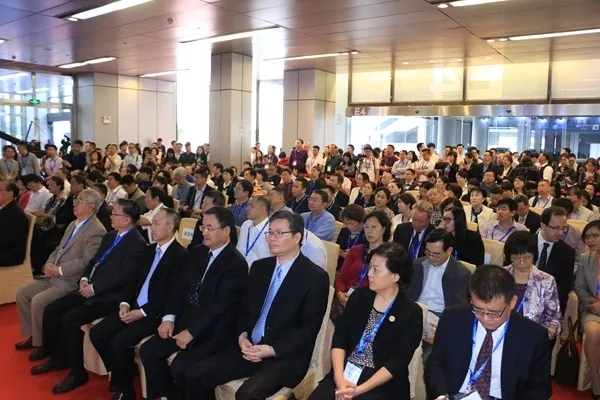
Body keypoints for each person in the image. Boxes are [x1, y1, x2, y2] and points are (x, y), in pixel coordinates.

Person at [182, 210, 329, 399]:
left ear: (296, 237)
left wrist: (271, 350)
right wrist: (242, 335)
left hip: (283, 356)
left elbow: (308, 329)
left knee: (247, 394)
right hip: (249, 346)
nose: (272, 238)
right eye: (270, 232)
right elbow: (244, 309)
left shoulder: (315, 277)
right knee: (195, 375)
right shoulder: (260, 267)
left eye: (279, 233)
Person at [30, 199, 147, 395]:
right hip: (90, 288)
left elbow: (123, 277)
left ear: (127, 219)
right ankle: (58, 357)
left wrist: (95, 288)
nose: (111, 216)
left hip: (111, 297)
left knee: (70, 319)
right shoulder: (110, 236)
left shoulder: (137, 244)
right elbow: (93, 261)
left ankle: (78, 373)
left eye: (115, 213)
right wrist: (84, 279)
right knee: (52, 309)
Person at [88, 208, 188, 400]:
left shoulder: (181, 256)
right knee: (98, 333)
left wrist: (141, 312)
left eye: (156, 223)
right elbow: (133, 281)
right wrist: (125, 303)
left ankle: (126, 391)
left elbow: (172, 295)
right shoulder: (149, 250)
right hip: (133, 306)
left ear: (170, 227)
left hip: (154, 313)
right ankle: (122, 371)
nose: (152, 227)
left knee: (119, 342)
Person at [308, 243, 422, 400]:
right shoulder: (360, 296)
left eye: (376, 270)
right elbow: (340, 339)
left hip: (381, 385)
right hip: (345, 374)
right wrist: (339, 380)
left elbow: (396, 363)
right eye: (370, 267)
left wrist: (357, 391)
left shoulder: (411, 313)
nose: (369, 274)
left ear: (395, 276)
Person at [426, 265, 552, 400]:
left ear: (512, 302)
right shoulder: (452, 319)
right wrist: (441, 395)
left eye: (494, 312)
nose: (485, 318)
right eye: (478, 309)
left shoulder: (534, 336)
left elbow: (540, 388)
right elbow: (435, 363)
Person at [15, 189, 106, 361]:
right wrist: (49, 264)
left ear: (91, 206)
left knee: (38, 301)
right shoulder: (73, 224)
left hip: (68, 280)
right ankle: (34, 336)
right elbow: (59, 249)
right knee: (22, 293)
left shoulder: (96, 230)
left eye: (80, 201)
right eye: (76, 200)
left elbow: (86, 261)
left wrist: (60, 270)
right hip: (52, 274)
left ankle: (43, 344)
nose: (75, 203)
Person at [504, 231, 562, 341]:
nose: (522, 263)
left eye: (526, 257)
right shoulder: (500, 276)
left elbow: (554, 318)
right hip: (502, 333)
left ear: (534, 255)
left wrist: (542, 336)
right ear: (509, 257)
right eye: (516, 258)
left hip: (532, 337)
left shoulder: (546, 280)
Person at [334, 211, 391, 321]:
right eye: (366, 227)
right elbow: (341, 277)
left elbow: (387, 288)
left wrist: (358, 299)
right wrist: (340, 293)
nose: (369, 231)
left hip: (370, 301)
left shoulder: (389, 255)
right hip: (346, 296)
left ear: (383, 229)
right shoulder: (355, 250)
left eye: (374, 227)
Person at [575, 220, 600, 399]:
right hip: (592, 308)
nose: (590, 240)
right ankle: (596, 383)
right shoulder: (585, 258)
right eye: (587, 237)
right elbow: (580, 287)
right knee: (593, 332)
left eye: (595, 236)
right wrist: (594, 304)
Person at [536, 206, 575, 314]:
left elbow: (563, 288)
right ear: (543, 225)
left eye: (563, 228)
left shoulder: (567, 252)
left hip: (548, 305)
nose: (561, 233)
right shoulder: (525, 243)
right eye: (556, 228)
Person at [0, 179, 29, 266]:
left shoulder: (15, 213)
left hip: (8, 254)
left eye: (0, 190)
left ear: (10, 193)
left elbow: (9, 239)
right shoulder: (5, 208)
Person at [237, 195, 272, 267]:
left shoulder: (271, 231)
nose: (247, 209)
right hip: (238, 267)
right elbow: (239, 248)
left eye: (251, 206)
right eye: (248, 205)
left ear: (262, 210)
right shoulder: (246, 224)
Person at [336, 205, 367, 269]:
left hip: (358, 267)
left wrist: (354, 254)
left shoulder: (366, 234)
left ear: (361, 221)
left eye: (351, 223)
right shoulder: (344, 230)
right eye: (345, 223)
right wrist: (339, 252)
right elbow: (338, 245)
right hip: (342, 265)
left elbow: (367, 254)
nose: (348, 226)